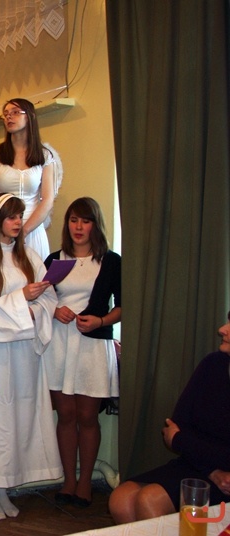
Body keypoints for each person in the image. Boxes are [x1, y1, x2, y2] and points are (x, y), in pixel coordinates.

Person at [0, 193, 62, 520]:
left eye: (20, 216)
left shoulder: (29, 256)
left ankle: (5, 487)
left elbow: (49, 299)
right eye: (11, 216)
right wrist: (21, 299)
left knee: (18, 418)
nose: (18, 222)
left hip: (24, 351)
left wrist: (34, 309)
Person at [108, 311, 230, 523]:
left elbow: (178, 438)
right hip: (200, 465)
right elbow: (176, 426)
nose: (222, 329)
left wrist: (182, 441)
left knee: (149, 499)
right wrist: (211, 470)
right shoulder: (213, 364)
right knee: (121, 498)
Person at [42, 197, 120, 507]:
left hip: (92, 345)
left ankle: (85, 481)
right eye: (73, 220)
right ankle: (69, 480)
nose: (78, 226)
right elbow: (40, 300)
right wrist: (54, 309)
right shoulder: (54, 260)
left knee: (87, 416)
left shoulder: (111, 261)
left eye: (85, 221)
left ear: (95, 225)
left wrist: (100, 320)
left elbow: (123, 306)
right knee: (66, 415)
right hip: (60, 345)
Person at [0, 99, 60, 259]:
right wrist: (6, 228)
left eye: (15, 112)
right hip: (3, 229)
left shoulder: (45, 155)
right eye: (6, 114)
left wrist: (25, 230)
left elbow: (47, 200)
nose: (9, 117)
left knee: (36, 271)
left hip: (33, 228)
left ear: (30, 117)